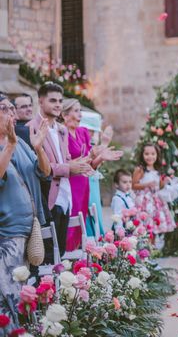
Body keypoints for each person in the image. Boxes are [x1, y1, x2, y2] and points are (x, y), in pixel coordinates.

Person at [0, 94, 50, 330]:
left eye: (12, 108)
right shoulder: (10, 144)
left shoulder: (19, 142)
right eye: (4, 109)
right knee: (9, 291)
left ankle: (21, 329)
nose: (11, 113)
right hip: (7, 231)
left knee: (22, 289)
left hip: (29, 226)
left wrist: (39, 149)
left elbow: (44, 172)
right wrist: (9, 145)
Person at [27, 82, 93, 260]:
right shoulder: (31, 128)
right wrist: (69, 168)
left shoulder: (61, 130)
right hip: (48, 199)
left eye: (60, 101)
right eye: (53, 100)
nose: (58, 104)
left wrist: (83, 164)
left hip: (66, 196)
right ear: (40, 101)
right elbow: (39, 167)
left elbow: (67, 162)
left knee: (61, 253)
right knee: (47, 256)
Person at [61, 98, 122, 250]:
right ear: (65, 115)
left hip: (84, 183)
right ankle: (69, 258)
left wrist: (101, 157)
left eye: (80, 110)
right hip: (70, 185)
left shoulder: (83, 132)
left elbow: (90, 166)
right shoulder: (60, 133)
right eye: (76, 111)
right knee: (71, 225)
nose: (80, 114)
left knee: (84, 223)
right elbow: (65, 162)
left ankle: (83, 258)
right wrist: (92, 155)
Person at [132, 143, 175, 249]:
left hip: (156, 202)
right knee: (145, 227)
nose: (150, 156)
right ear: (142, 155)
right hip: (144, 202)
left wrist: (164, 182)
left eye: (153, 154)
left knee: (154, 227)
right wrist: (146, 185)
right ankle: (144, 251)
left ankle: (152, 251)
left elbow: (159, 187)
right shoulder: (140, 169)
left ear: (157, 155)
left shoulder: (158, 170)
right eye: (146, 154)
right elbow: (133, 185)